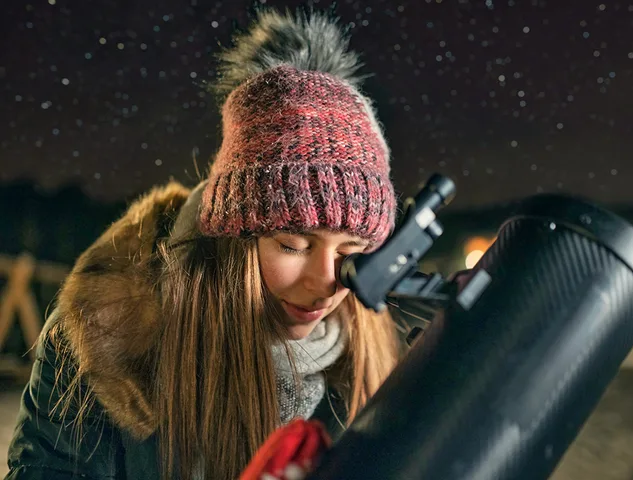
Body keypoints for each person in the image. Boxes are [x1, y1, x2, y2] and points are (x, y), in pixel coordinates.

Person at [5, 9, 401, 480]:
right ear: (234, 239)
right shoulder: (105, 339)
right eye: (293, 245)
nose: (326, 282)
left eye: (351, 250)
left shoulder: (373, 354)